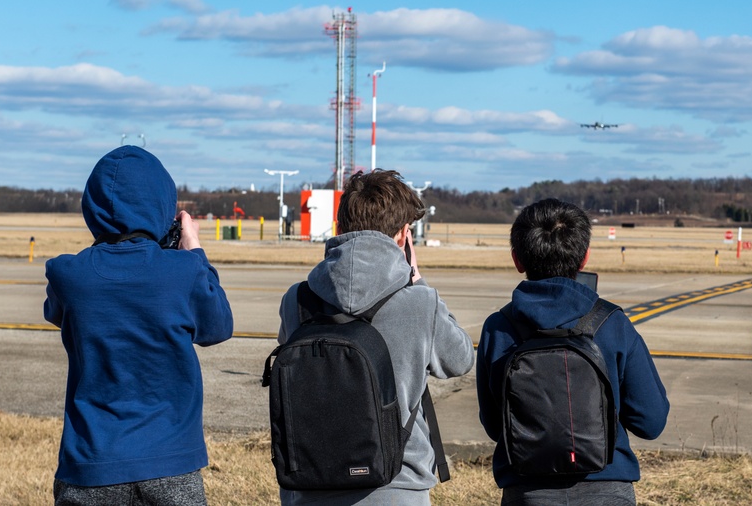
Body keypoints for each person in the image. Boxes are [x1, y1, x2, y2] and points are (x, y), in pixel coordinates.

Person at [45, 145, 234, 505]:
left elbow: (58, 312)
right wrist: (194, 251)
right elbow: (218, 326)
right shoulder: (185, 272)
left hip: (92, 462)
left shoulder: (67, 274)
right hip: (172, 461)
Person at [276, 169, 474, 506]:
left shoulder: (297, 299)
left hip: (310, 484)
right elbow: (461, 360)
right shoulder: (418, 302)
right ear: (402, 236)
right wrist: (418, 281)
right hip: (399, 484)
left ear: (340, 229)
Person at [476, 198, 670, 505]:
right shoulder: (612, 323)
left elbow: (494, 425)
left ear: (517, 260)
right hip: (607, 488)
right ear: (584, 257)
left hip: (527, 491)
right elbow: (651, 421)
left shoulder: (498, 327)